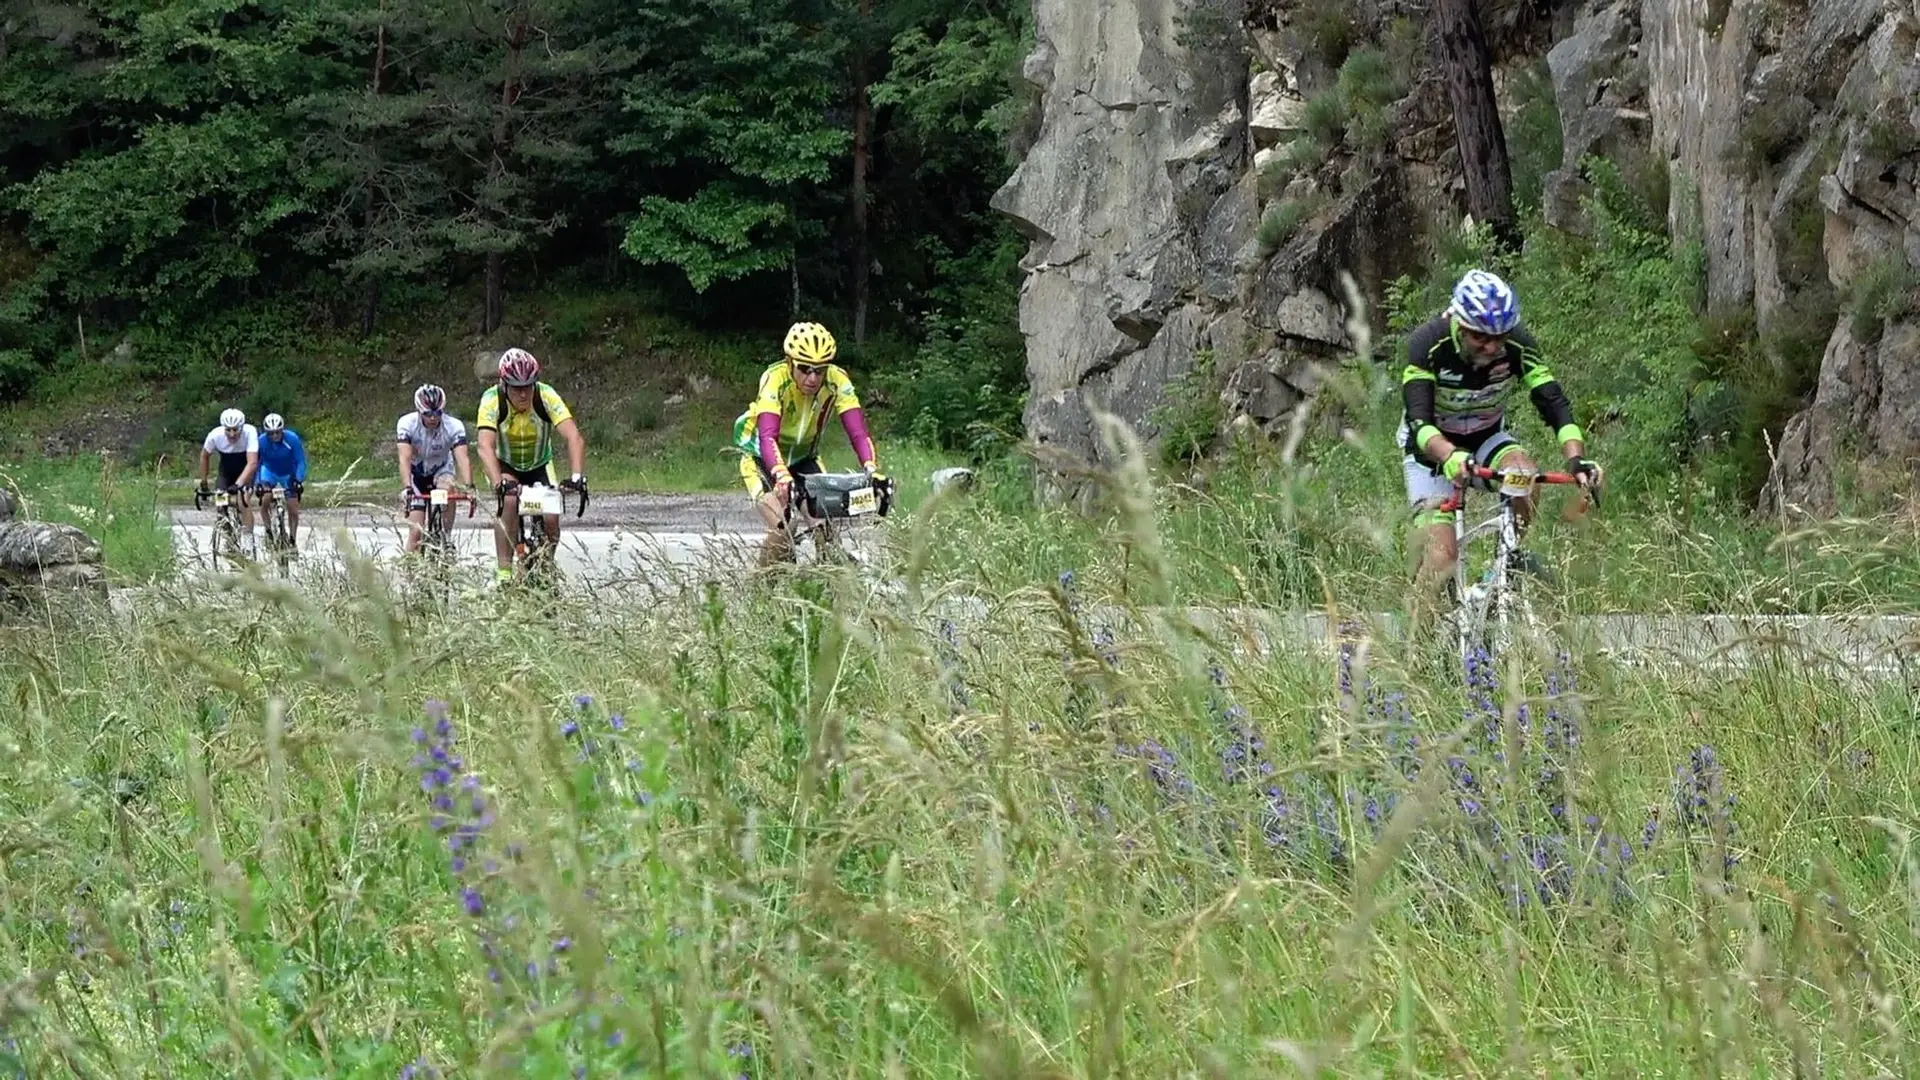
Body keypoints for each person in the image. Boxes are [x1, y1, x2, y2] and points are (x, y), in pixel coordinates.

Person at [1401, 269, 1602, 597]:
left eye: (1500, 337)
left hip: (1485, 438)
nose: (1492, 346)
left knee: (1525, 475)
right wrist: (1449, 455)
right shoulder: (1428, 343)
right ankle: (1413, 644)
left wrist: (1576, 459)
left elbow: (1553, 401)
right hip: (1431, 452)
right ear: (1460, 325)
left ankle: (1492, 581)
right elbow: (1419, 422)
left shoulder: (1517, 344)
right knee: (1442, 560)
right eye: (1481, 337)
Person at [732, 321, 880, 565]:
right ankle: (762, 591)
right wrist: (780, 475)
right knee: (784, 526)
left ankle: (823, 590)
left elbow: (858, 432)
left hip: (804, 459)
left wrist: (870, 467)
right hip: (762, 457)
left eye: (819, 370)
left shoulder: (837, 380)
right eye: (804, 369)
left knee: (826, 532)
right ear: (790, 362)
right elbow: (767, 435)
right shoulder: (775, 378)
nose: (812, 378)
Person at [474, 348, 586, 582]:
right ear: (504, 384)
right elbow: (485, 446)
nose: (523, 394)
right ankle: (504, 572)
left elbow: (573, 436)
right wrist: (498, 483)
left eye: (529, 386)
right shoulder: (491, 399)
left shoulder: (546, 395)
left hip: (539, 464)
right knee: (510, 501)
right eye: (516, 388)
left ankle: (545, 566)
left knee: (551, 517)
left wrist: (577, 476)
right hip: (505, 465)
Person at [397, 384, 475, 553]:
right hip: (416, 475)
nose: (433, 418)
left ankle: (446, 536)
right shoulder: (407, 423)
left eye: (437, 413)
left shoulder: (454, 426)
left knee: (447, 488)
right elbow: (404, 458)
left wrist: (469, 487)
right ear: (419, 411)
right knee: (416, 532)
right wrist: (407, 488)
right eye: (427, 414)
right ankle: (410, 576)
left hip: (441, 471)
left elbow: (462, 458)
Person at [198, 408, 260, 554]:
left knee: (242, 501)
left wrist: (238, 484)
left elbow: (252, 463)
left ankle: (248, 540)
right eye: (228, 430)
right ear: (223, 428)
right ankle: (229, 539)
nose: (232, 434)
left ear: (242, 427)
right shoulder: (215, 435)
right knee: (220, 502)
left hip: (245, 471)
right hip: (226, 472)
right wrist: (204, 483)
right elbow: (204, 456)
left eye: (235, 430)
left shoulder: (250, 432)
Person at [253, 413, 309, 551]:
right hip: (270, 472)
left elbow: (300, 461)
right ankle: (269, 532)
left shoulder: (292, 439)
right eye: (270, 433)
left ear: (282, 430)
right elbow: (257, 464)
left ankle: (292, 540)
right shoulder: (261, 441)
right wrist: (258, 483)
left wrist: (298, 479)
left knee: (293, 509)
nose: (274, 436)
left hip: (289, 473)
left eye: (277, 433)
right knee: (265, 500)